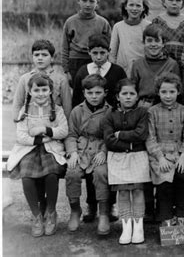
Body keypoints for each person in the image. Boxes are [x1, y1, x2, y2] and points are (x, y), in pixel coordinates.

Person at [7, 73, 68, 237]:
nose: (40, 93)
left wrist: (44, 129)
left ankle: (51, 213)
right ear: (30, 91)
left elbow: (63, 131)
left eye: (44, 89)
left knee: (51, 175)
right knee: (27, 177)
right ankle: (36, 216)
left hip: (51, 149)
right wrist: (42, 139)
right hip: (30, 149)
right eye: (37, 90)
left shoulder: (57, 109)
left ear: (50, 91)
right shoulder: (24, 111)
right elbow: (21, 136)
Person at [103, 78, 151, 245]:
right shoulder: (110, 115)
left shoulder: (143, 113)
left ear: (137, 96)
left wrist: (121, 135)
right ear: (117, 96)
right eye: (124, 94)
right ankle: (126, 226)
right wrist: (130, 142)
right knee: (122, 191)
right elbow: (109, 140)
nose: (128, 97)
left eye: (132, 93)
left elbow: (141, 134)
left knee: (137, 191)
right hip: (117, 158)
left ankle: (138, 226)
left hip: (138, 156)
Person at [65, 74, 112, 235]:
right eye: (90, 93)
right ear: (84, 93)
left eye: (98, 93)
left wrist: (105, 151)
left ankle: (104, 213)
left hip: (100, 150)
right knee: (72, 173)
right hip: (81, 150)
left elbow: (111, 135)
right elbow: (71, 134)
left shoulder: (110, 111)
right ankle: (75, 210)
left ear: (105, 93)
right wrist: (72, 152)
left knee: (101, 173)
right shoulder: (77, 111)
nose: (94, 96)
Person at [146, 72, 184, 226]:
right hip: (159, 156)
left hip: (179, 154)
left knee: (181, 177)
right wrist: (160, 157)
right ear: (158, 92)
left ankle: (181, 217)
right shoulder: (152, 112)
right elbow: (150, 138)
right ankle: (165, 218)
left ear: (178, 92)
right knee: (164, 181)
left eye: (172, 92)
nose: (168, 96)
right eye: (164, 92)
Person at [62, 0, 111, 86]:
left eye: (92, 1)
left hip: (96, 61)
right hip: (75, 63)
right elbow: (65, 48)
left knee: (95, 92)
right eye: (84, 0)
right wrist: (66, 71)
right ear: (78, 1)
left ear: (97, 2)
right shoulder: (70, 22)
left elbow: (109, 48)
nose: (88, 4)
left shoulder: (103, 23)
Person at [13, 39, 71, 120]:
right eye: (36, 55)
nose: (40, 58)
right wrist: (18, 124)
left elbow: (67, 107)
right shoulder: (24, 79)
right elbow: (17, 104)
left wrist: (65, 128)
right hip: (30, 124)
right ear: (32, 57)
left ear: (52, 58)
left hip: (53, 124)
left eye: (44, 55)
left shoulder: (61, 79)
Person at [130, 23, 180, 109]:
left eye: (157, 41)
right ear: (143, 42)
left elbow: (177, 91)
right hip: (143, 107)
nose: (153, 44)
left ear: (163, 43)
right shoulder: (137, 65)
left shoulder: (172, 64)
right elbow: (132, 90)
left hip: (165, 106)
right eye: (149, 41)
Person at [72, 34, 127, 108]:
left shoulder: (118, 71)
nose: (98, 57)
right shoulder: (82, 71)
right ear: (89, 51)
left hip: (111, 115)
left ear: (108, 51)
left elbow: (123, 94)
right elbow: (76, 97)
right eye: (95, 53)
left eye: (102, 53)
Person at [109, 0, 152, 76]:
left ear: (143, 7)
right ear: (125, 6)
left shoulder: (149, 26)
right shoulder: (118, 27)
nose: (134, 8)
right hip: (122, 72)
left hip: (143, 72)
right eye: (131, 5)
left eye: (138, 5)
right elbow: (112, 54)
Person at [152, 0, 184, 70]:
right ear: (163, 2)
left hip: (183, 63)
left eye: (178, 0)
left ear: (183, 3)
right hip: (162, 63)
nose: (174, 3)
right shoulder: (157, 21)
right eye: (170, 0)